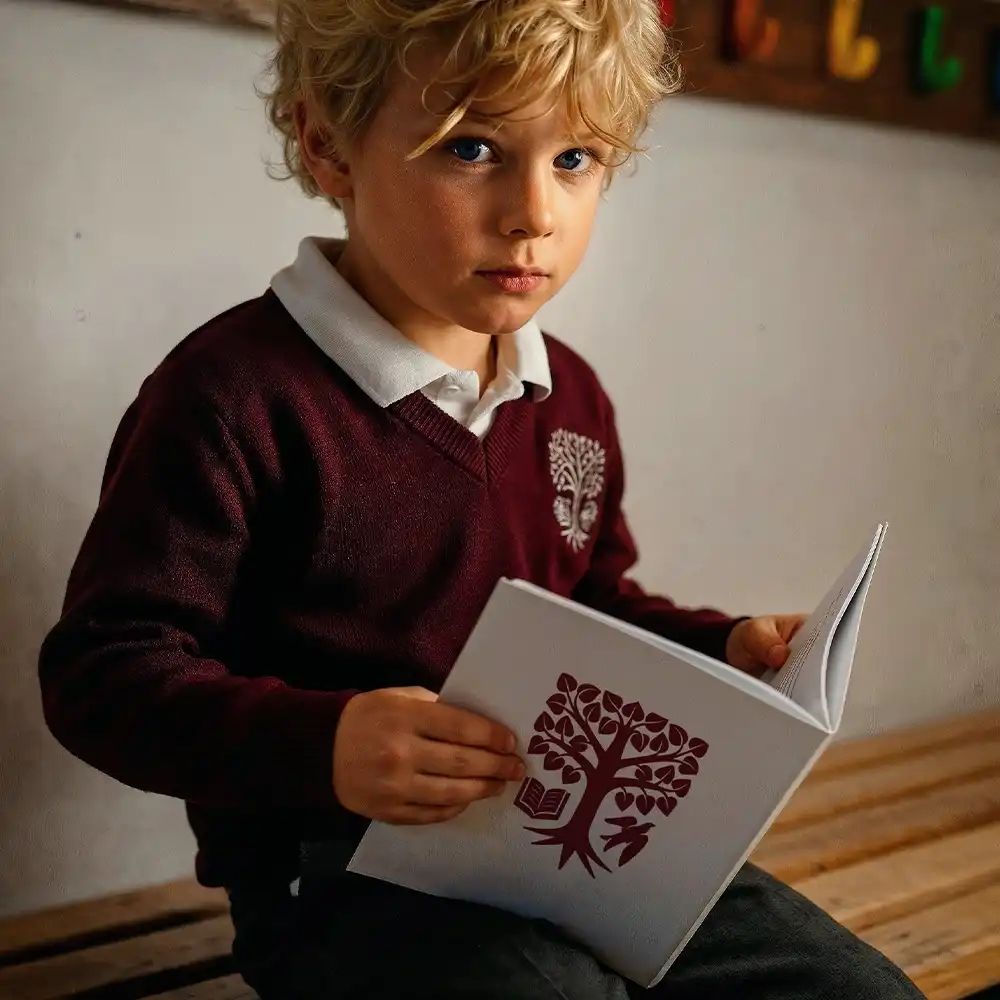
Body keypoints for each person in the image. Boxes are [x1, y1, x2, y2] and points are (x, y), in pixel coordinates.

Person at [37, 0, 924, 997]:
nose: (534, 214)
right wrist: (326, 743)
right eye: (471, 148)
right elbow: (102, 676)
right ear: (328, 146)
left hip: (578, 853)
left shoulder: (569, 396)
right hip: (337, 885)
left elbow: (587, 613)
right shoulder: (231, 395)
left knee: (856, 990)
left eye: (575, 159)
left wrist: (726, 654)